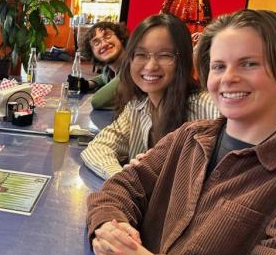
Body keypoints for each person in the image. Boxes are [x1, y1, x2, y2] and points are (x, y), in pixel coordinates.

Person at [16, 9, 276, 255]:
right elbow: (123, 185)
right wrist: (110, 226)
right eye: (219, 66)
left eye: (249, 63)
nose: (228, 78)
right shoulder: (191, 138)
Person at [81, 14, 219, 179]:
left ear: (182, 60)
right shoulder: (138, 106)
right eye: (141, 54)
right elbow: (97, 148)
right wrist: (125, 180)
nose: (151, 66)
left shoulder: (210, 109)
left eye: (165, 55)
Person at [81, 21, 128, 110]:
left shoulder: (132, 67)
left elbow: (98, 101)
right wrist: (87, 84)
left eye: (107, 36)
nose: (104, 44)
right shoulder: (110, 69)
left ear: (120, 37)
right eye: (96, 42)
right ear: (92, 53)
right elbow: (103, 77)